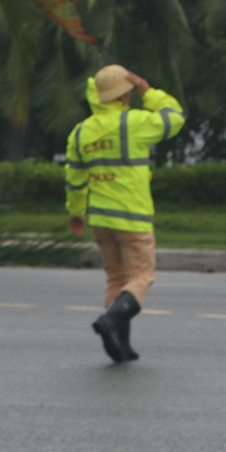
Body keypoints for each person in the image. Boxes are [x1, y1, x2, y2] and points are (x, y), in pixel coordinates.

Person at [64, 64, 186, 362]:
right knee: (141, 277)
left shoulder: (81, 132)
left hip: (100, 220)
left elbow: (75, 179)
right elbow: (174, 118)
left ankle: (121, 346)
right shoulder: (134, 123)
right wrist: (149, 90)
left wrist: (76, 213)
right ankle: (110, 322)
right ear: (125, 95)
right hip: (132, 217)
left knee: (116, 280)